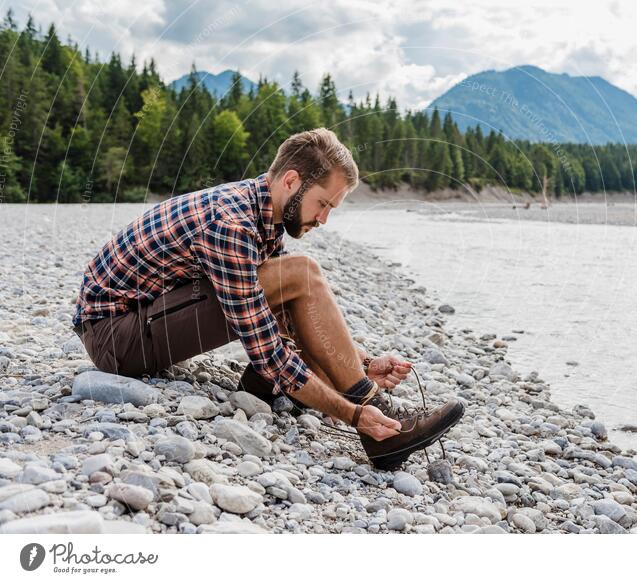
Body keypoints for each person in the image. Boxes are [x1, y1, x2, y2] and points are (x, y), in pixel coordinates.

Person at [71, 128, 463, 470]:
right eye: (323, 204)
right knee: (301, 273)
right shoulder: (231, 223)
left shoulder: (265, 215)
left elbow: (283, 310)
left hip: (144, 321)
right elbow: (267, 349)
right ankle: (381, 424)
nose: (324, 219)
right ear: (291, 181)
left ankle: (332, 394)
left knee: (292, 284)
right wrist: (354, 413)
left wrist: (362, 361)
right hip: (115, 338)